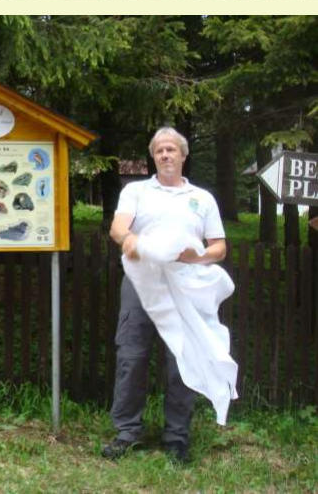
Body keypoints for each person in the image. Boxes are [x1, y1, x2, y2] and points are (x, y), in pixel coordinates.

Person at [102, 127, 228, 464]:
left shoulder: (202, 199)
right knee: (131, 356)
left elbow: (219, 248)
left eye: (172, 149)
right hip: (141, 282)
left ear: (184, 156)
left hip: (186, 285)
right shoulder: (137, 191)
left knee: (182, 361)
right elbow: (118, 227)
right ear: (153, 156)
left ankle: (177, 439)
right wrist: (130, 242)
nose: (166, 155)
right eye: (159, 151)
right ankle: (127, 433)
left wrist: (195, 257)